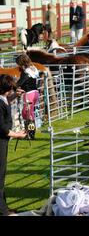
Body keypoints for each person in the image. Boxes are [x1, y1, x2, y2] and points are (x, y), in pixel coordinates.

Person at [0, 74, 27, 216]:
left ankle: (3, 208)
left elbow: (6, 100)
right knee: (0, 176)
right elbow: (2, 128)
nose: (12, 90)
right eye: (11, 88)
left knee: (2, 175)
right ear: (7, 88)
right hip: (1, 142)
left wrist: (15, 95)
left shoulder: (2, 99)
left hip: (3, 142)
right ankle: (3, 211)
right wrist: (18, 135)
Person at [15, 54, 40, 140]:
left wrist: (12, 85)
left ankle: (30, 134)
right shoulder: (33, 69)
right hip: (35, 92)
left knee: (27, 114)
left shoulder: (26, 72)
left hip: (29, 94)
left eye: (18, 63)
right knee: (30, 114)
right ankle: (30, 134)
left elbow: (20, 83)